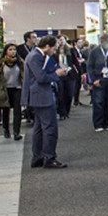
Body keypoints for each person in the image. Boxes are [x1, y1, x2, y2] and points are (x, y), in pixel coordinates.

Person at [23, 36, 70, 169]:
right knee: (50, 128)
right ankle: (49, 158)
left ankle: (38, 157)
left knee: (39, 129)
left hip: (39, 96)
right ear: (47, 46)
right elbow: (41, 77)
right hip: (42, 96)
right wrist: (57, 74)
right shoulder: (35, 57)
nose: (54, 52)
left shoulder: (35, 55)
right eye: (54, 48)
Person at [85, 34, 108, 133]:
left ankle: (106, 123)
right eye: (102, 39)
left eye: (106, 40)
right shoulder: (94, 52)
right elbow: (90, 67)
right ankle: (98, 124)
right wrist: (93, 80)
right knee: (98, 102)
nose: (103, 41)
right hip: (98, 79)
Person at [1, 44, 22, 140]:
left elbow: (23, 74)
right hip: (5, 89)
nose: (13, 51)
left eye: (14, 49)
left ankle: (16, 132)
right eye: (10, 49)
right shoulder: (1, 63)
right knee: (6, 110)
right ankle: (6, 129)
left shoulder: (19, 62)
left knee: (17, 111)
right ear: (6, 51)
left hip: (17, 88)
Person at [54, 41, 78, 120]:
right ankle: (62, 112)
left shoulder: (70, 51)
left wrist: (80, 73)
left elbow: (75, 62)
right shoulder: (54, 53)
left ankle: (67, 111)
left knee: (69, 94)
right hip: (59, 75)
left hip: (69, 75)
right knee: (60, 94)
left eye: (62, 40)